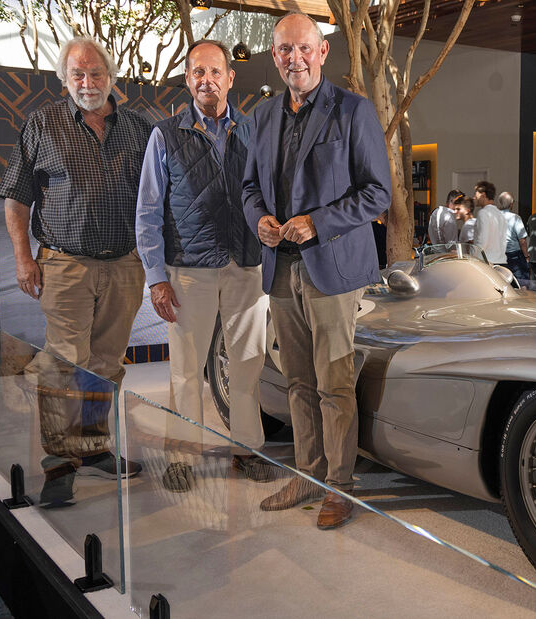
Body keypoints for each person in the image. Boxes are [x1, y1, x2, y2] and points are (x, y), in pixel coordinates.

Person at [242, 12, 392, 529]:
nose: (294, 58)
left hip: (331, 269)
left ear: (323, 51)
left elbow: (379, 192)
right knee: (298, 382)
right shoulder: (260, 118)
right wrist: (258, 217)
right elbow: (248, 188)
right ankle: (308, 473)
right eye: (284, 49)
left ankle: (341, 485)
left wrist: (318, 222)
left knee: (334, 381)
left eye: (303, 48)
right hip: (280, 268)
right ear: (275, 55)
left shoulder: (354, 111)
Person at [0, 36, 149, 507]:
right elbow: (16, 198)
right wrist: (24, 258)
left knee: (105, 364)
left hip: (125, 263)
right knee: (64, 362)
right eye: (78, 75)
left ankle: (95, 446)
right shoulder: (42, 124)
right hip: (65, 265)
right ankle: (60, 464)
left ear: (111, 77)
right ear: (64, 79)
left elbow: (158, 200)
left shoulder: (140, 129)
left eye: (96, 74)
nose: (88, 83)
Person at [135, 39, 270, 491]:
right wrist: (156, 279)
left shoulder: (255, 132)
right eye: (197, 72)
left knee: (248, 363)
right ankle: (183, 457)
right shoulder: (165, 135)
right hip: (188, 269)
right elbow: (148, 212)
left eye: (215, 72)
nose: (206, 80)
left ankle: (247, 448)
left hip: (245, 266)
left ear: (231, 78)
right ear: (188, 79)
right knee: (187, 368)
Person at [496, 191, 529, 281]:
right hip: (514, 255)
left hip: (498, 256)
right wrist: (526, 256)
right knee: (522, 282)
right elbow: (522, 241)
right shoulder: (515, 218)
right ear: (511, 204)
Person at [473, 181, 506, 265]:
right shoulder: (500, 214)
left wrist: (471, 255)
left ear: (483, 195)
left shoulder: (483, 213)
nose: (474, 198)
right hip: (500, 260)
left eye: (475, 195)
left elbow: (482, 241)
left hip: (486, 261)